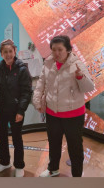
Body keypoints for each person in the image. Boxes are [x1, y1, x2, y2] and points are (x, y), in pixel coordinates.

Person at [32, 34, 94, 178]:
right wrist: (37, 101)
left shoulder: (76, 64)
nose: (56, 53)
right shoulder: (48, 64)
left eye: (60, 49)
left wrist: (80, 76)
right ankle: (53, 169)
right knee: (54, 144)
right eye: (54, 50)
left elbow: (89, 87)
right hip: (52, 113)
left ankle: (76, 175)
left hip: (73, 114)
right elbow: (41, 84)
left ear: (68, 50)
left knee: (75, 147)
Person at [0, 40, 33, 178]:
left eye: (10, 51)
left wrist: (21, 111)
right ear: (1, 54)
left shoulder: (22, 69)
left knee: (17, 138)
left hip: (16, 110)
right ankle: (4, 162)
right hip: (1, 108)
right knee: (2, 137)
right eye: (5, 52)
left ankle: (19, 165)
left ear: (15, 51)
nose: (8, 54)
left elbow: (26, 92)